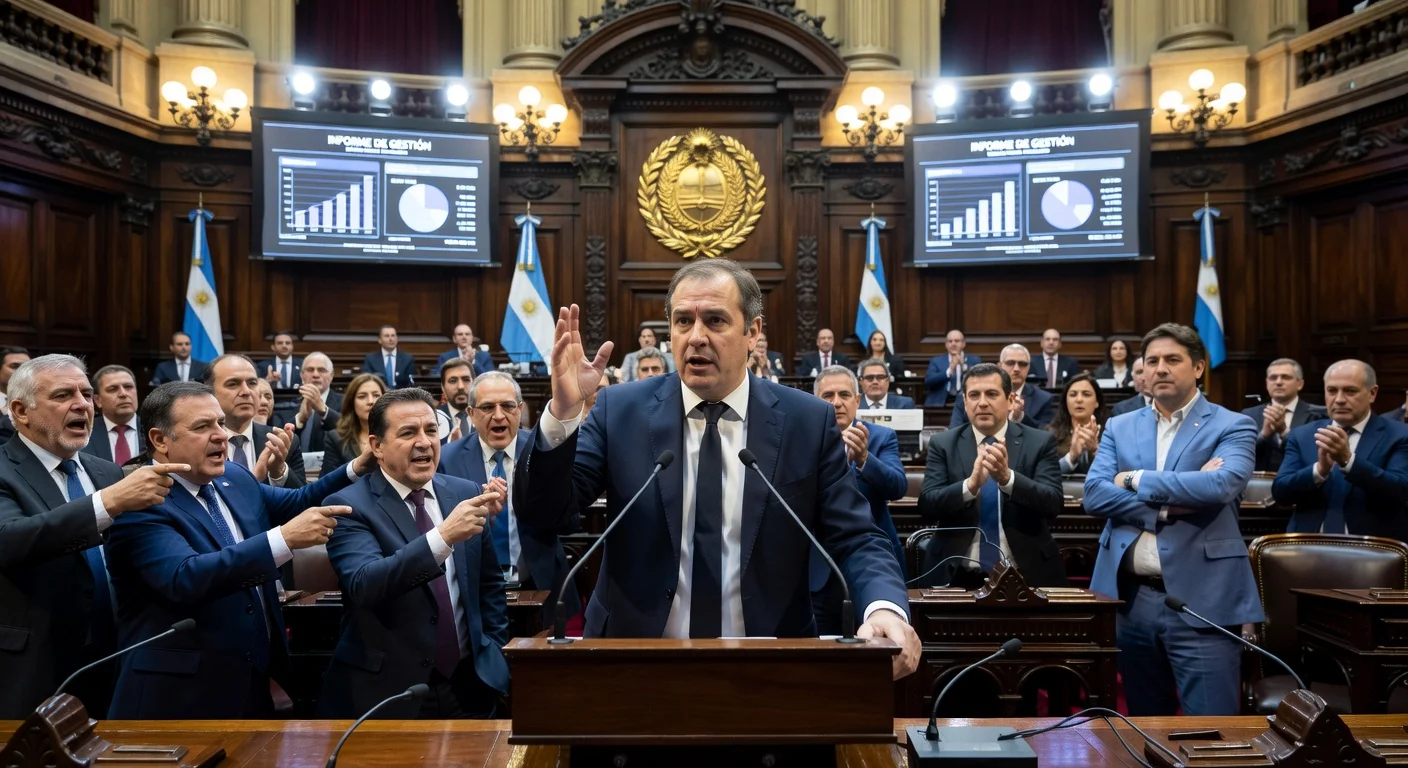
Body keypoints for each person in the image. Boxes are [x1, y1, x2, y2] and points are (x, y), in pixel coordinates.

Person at [514, 259, 919, 679]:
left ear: (753, 333)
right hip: (633, 661)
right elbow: (546, 514)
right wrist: (562, 414)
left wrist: (885, 607)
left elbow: (855, 537)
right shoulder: (620, 411)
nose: (696, 337)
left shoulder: (806, 421)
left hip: (770, 666)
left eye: (715, 321)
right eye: (683, 321)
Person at [106, 381, 375, 719]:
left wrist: (356, 467)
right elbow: (185, 576)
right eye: (203, 427)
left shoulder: (233, 476)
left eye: (220, 423)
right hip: (179, 694)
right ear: (160, 441)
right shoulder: (140, 502)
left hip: (251, 676)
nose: (221, 435)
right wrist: (283, 540)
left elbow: (297, 501)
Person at [1084, 323, 1261, 717]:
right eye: (1152, 361)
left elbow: (1220, 485)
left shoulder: (1232, 424)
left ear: (1198, 368)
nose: (1160, 368)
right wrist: (1163, 506)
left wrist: (1133, 480)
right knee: (1147, 725)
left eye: (1172, 360)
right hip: (1132, 599)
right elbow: (1094, 493)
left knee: (1211, 730)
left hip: (1203, 596)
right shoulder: (1120, 424)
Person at [0, 355, 187, 718]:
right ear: (21, 411)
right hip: (36, 662)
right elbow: (9, 539)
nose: (82, 404)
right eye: (63, 395)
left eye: (86, 394)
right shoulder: (4, 470)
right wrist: (107, 503)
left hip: (118, 652)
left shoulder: (106, 471)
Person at [319, 388, 509, 719]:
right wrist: (444, 536)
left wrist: (490, 646)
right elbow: (366, 584)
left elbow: (489, 585)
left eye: (431, 430)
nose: (424, 442)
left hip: (469, 683)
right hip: (388, 691)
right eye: (408, 433)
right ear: (376, 446)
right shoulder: (349, 506)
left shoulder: (463, 493)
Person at [441, 371, 580, 625]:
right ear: (471, 414)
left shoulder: (546, 452)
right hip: (474, 593)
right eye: (486, 407)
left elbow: (570, 522)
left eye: (506, 406)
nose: (498, 415)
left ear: (520, 410)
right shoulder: (446, 459)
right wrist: (482, 516)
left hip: (541, 586)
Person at [917, 363, 1066, 590]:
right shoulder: (943, 444)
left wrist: (1007, 479)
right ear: (965, 403)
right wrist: (970, 485)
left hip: (1024, 573)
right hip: (956, 574)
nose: (983, 402)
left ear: (1009, 400)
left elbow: (1053, 503)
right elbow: (927, 506)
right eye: (974, 395)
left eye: (992, 394)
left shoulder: (1039, 442)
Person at [811, 365, 908, 634]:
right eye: (827, 395)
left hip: (871, 565)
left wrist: (865, 458)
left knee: (875, 648)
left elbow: (898, 487)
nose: (837, 402)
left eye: (844, 394)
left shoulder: (881, 437)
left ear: (857, 399)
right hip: (814, 569)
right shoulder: (805, 439)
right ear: (815, 401)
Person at [1273, 360, 1408, 540]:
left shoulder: (1399, 435)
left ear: (1372, 393)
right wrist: (1319, 471)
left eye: (1350, 391)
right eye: (1332, 391)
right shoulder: (1302, 435)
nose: (1339, 399)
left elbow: (1399, 493)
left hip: (1375, 553)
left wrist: (1348, 462)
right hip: (1306, 549)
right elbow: (1281, 493)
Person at [205, 354, 306, 488]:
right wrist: (254, 481)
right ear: (210, 392)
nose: (246, 391)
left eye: (252, 383)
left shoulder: (282, 443)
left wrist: (278, 472)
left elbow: (303, 503)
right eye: (233, 384)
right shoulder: (198, 443)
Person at [1243, 358, 1328, 472]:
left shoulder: (1317, 415)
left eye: (1286, 377)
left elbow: (1312, 455)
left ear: (1300, 384)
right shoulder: (1249, 415)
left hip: (1300, 482)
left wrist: (1284, 432)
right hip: (1257, 483)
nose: (1278, 382)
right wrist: (1263, 436)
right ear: (1267, 383)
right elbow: (1241, 453)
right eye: (1273, 378)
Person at [950, 344, 1055, 429]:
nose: (1016, 369)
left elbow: (1046, 435)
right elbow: (954, 432)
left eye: (1022, 364)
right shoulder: (966, 397)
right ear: (1000, 365)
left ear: (1029, 367)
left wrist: (1020, 417)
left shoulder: (1044, 399)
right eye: (1010, 363)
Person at [1047, 373, 1107, 474]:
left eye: (1086, 394)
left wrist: (1094, 453)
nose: (1079, 400)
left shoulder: (1110, 434)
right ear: (1065, 402)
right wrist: (1071, 457)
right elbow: (1046, 474)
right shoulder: (1049, 435)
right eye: (1073, 394)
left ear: (1097, 402)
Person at [325, 374, 387, 469]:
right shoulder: (336, 438)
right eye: (362, 396)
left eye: (376, 395)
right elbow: (329, 481)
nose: (371, 401)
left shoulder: (397, 434)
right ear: (351, 404)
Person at [82, 365, 141, 465]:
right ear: (97, 400)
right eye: (113, 389)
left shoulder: (155, 428)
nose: (123, 394)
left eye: (128, 387)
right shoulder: (84, 432)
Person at [285, 352, 342, 454]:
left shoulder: (345, 402)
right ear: (302, 375)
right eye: (310, 370)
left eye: (321, 370)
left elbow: (350, 430)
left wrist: (325, 412)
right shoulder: (288, 404)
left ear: (331, 375)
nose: (315, 375)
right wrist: (300, 419)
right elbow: (282, 438)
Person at [925, 330, 980, 408]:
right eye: (950, 341)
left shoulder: (974, 360)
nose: (953, 344)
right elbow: (929, 381)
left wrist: (964, 367)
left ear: (963, 344)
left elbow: (980, 380)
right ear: (946, 345)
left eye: (957, 341)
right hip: (941, 402)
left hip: (967, 403)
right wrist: (949, 371)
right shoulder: (936, 361)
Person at [436, 358, 473, 444]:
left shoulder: (486, 416)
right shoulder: (434, 419)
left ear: (474, 383)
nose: (460, 386)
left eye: (466, 379)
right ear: (443, 387)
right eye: (453, 381)